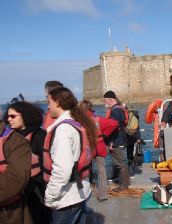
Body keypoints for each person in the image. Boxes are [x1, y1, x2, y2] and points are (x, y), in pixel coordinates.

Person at [44, 87, 96, 223]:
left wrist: (49, 197)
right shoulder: (77, 123)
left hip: (66, 199)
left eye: (49, 102)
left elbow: (62, 170)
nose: (48, 107)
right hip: (79, 192)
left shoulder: (63, 130)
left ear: (57, 102)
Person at [4, 101, 50, 223]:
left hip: (37, 188)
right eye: (7, 116)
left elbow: (47, 162)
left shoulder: (39, 135)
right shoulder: (9, 139)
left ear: (25, 115)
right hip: (17, 190)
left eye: (13, 116)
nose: (9, 119)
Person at [79, 100, 118, 202]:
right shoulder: (98, 119)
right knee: (102, 171)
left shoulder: (79, 121)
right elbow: (114, 123)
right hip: (99, 147)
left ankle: (84, 193)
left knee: (84, 171)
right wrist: (104, 134)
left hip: (87, 149)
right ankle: (103, 195)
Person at [0, 109, 32, 224]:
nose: (9, 119)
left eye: (13, 116)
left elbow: (16, 178)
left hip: (8, 213)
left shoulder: (16, 141)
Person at [103, 90, 130, 192]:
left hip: (117, 140)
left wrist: (110, 142)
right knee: (120, 161)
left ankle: (124, 184)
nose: (105, 103)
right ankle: (124, 182)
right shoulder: (120, 108)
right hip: (121, 137)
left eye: (105, 101)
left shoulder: (115, 111)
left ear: (110, 100)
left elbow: (113, 127)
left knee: (120, 162)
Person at [125, 108, 143, 177]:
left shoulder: (128, 117)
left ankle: (130, 170)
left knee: (129, 154)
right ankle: (131, 169)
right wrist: (138, 138)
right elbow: (137, 128)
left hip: (127, 137)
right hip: (133, 138)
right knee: (132, 153)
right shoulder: (134, 117)